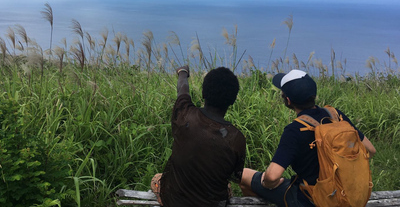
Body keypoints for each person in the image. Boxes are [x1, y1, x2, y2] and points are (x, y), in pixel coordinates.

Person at [240, 69, 376, 207]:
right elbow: (370, 150)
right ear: (314, 96)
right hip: (345, 193)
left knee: (243, 175)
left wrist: (268, 183)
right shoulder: (335, 115)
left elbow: (272, 176)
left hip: (311, 200)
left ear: (288, 100)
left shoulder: (294, 130)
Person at [158, 65, 246, 207]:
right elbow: (235, 176)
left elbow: (182, 89)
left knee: (157, 179)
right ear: (233, 101)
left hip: (173, 201)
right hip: (212, 204)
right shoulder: (236, 138)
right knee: (226, 187)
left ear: (203, 93)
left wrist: (183, 72)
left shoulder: (184, 115)